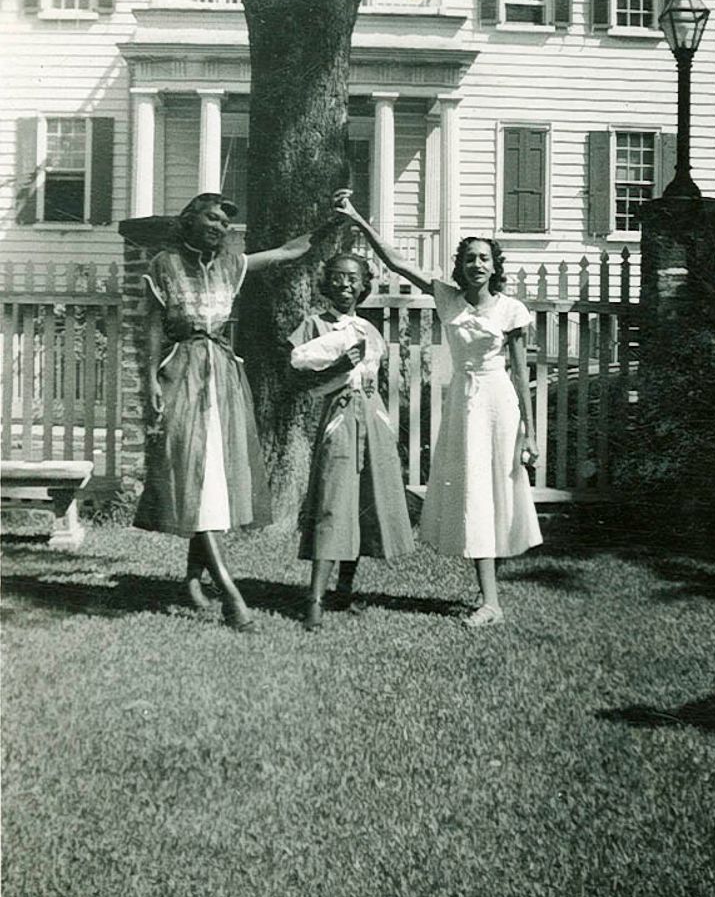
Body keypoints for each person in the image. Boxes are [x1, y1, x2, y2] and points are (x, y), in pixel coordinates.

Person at [334, 193, 542, 628]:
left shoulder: (510, 310)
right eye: (469, 259)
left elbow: (522, 375)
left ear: (494, 265)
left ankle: (490, 602)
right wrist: (357, 219)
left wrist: (530, 432)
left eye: (484, 258)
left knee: (493, 495)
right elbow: (394, 262)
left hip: (499, 405)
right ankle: (490, 596)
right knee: (474, 494)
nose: (477, 265)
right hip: (463, 407)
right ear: (460, 266)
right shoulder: (448, 299)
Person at [133, 192, 323, 632]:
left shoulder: (232, 264)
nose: (219, 226)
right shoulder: (164, 264)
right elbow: (151, 328)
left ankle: (193, 581)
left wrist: (334, 222)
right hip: (181, 371)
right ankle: (232, 598)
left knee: (214, 476)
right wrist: (149, 382)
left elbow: (288, 252)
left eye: (224, 221)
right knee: (192, 470)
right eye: (211, 217)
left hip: (222, 374)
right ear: (189, 220)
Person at [288, 251, 415, 632]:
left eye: (353, 279)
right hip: (339, 417)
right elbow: (298, 381)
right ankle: (314, 598)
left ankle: (345, 589)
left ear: (364, 286)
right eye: (338, 277)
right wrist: (340, 366)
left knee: (362, 502)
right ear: (327, 283)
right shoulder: (313, 325)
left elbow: (377, 378)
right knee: (333, 501)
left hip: (372, 418)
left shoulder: (369, 331)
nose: (346, 284)